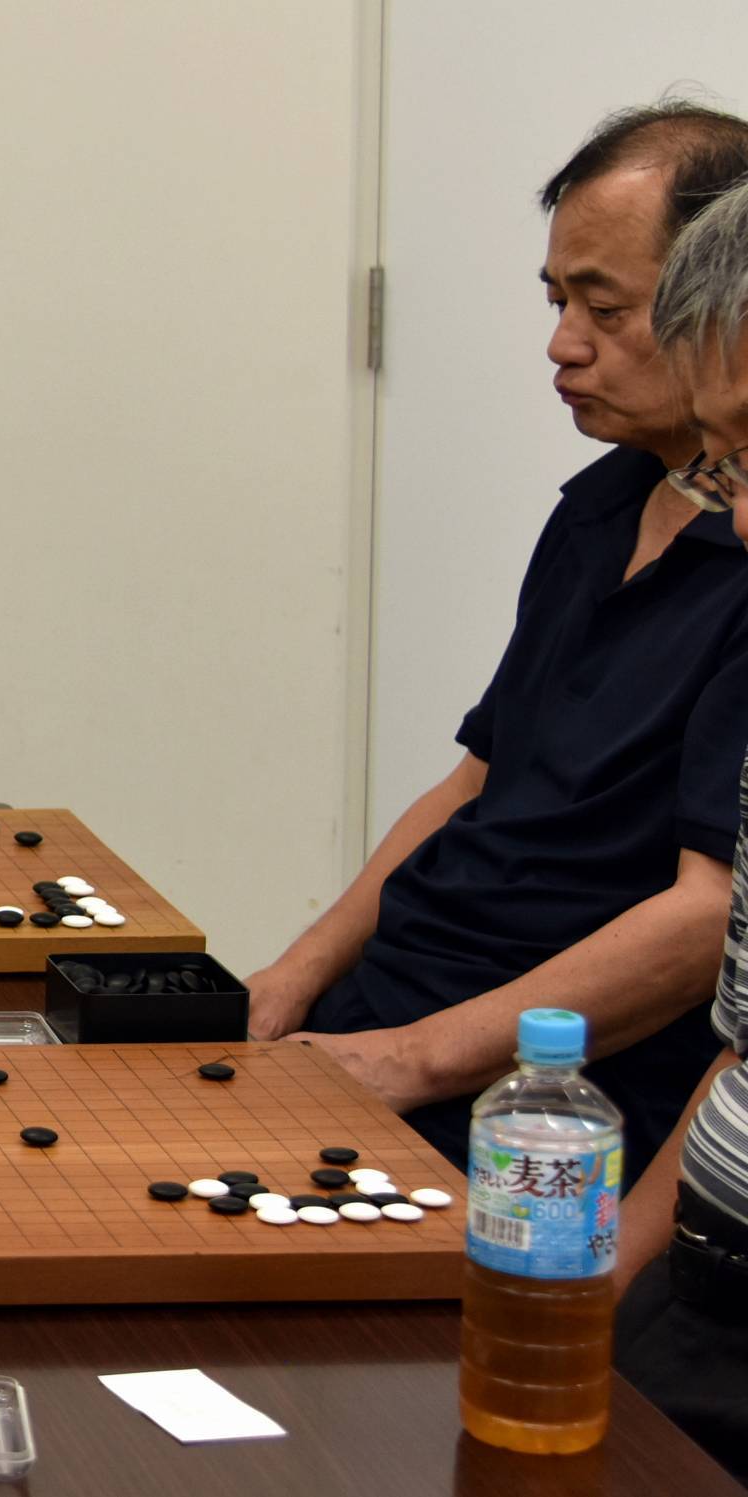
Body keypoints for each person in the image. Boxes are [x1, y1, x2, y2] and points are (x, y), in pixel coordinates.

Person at [246, 103, 748, 1182]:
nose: (562, 344)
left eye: (604, 308)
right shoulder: (602, 503)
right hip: (398, 1011)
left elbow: (709, 916)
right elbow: (476, 781)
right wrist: (295, 974)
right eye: (557, 301)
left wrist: (411, 1061)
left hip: (551, 1093)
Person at [605, 173, 748, 1489]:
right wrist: (602, 1283)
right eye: (725, 462)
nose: (738, 515)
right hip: (698, 1282)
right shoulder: (594, 511)